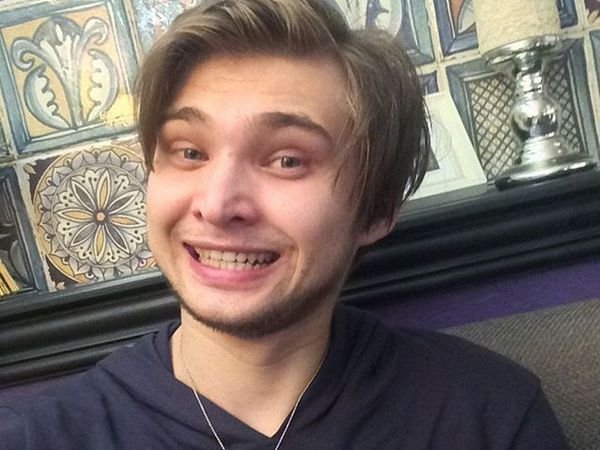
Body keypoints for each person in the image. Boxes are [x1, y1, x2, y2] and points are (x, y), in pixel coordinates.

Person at [0, 0, 568, 448]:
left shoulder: (487, 415)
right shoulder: (44, 437)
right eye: (189, 152)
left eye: (287, 160)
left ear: (377, 211)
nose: (217, 205)